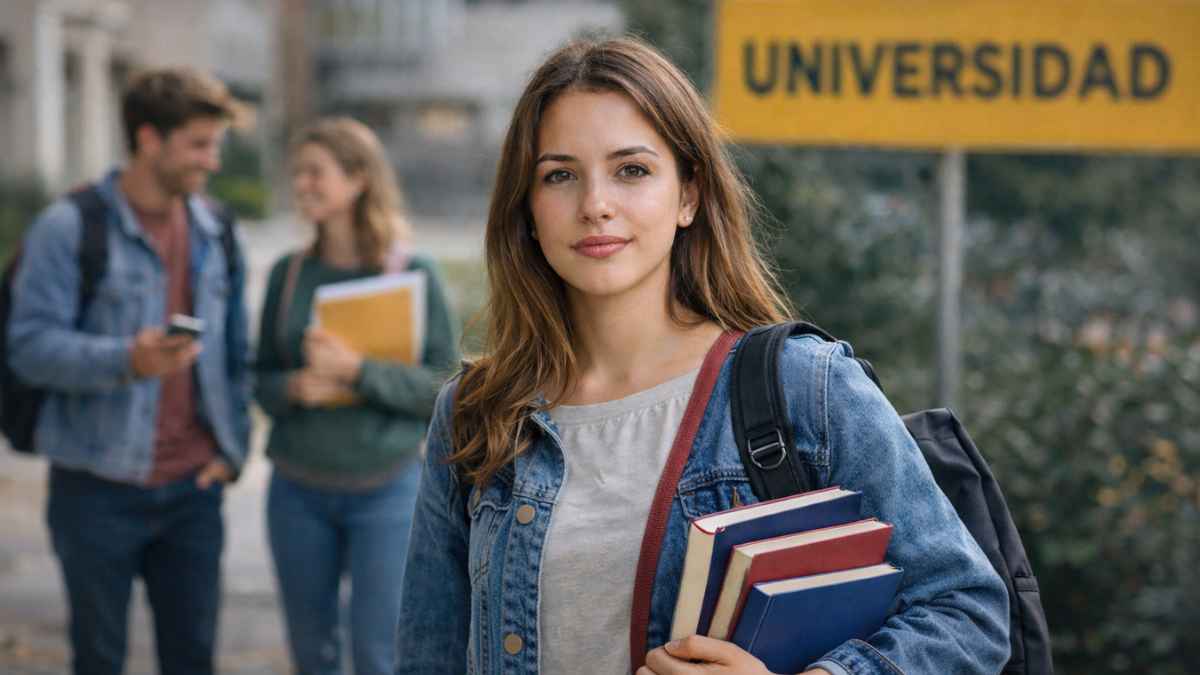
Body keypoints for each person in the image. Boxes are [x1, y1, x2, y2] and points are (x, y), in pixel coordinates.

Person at [395, 37, 1011, 675]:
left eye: (632, 170)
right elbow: (427, 657)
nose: (595, 204)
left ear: (688, 195)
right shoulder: (476, 410)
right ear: (526, 208)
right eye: (560, 175)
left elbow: (967, 611)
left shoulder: (804, 387)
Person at [7, 67, 250, 675]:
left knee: (193, 659)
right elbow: (28, 347)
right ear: (148, 139)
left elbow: (235, 353)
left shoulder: (215, 230)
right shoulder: (70, 227)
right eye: (198, 144)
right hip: (96, 488)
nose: (211, 161)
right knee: (99, 659)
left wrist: (233, 449)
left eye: (214, 144)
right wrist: (127, 360)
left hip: (195, 489)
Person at [253, 116, 460, 675]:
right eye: (298, 174)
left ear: (359, 178)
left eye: (316, 172)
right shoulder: (288, 275)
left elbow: (444, 390)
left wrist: (357, 371)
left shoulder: (413, 273)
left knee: (379, 652)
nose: (303, 185)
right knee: (312, 651)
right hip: (296, 491)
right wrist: (293, 387)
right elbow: (259, 379)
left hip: (387, 492)